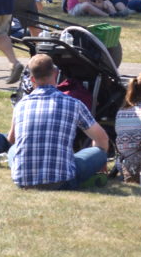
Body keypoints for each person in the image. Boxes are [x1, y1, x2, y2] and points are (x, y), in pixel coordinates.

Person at [8, 54, 109, 190]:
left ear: (32, 79)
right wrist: (99, 161)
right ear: (55, 73)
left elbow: (12, 139)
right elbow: (101, 139)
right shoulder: (73, 103)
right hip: (63, 180)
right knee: (99, 153)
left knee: (13, 150)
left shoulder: (21, 104)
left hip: (24, 180)